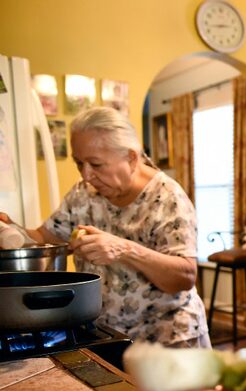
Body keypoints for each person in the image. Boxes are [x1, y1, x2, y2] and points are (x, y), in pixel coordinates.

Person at [0, 107, 209, 347]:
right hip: (108, 336)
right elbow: (45, 239)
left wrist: (123, 249)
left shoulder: (167, 198)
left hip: (168, 340)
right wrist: (12, 229)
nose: (86, 175)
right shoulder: (82, 193)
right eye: (79, 163)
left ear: (131, 158)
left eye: (96, 164)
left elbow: (184, 276)